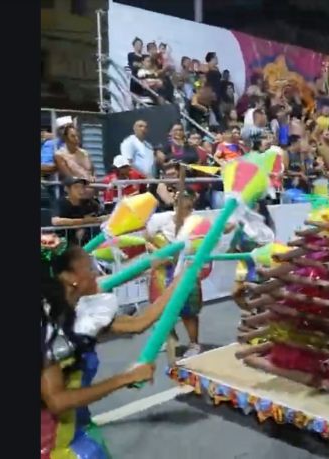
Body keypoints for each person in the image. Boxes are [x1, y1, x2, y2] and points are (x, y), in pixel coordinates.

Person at [41, 234, 177, 459]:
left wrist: (180, 280)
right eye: (89, 268)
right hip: (52, 446)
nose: (96, 273)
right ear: (70, 278)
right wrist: (125, 378)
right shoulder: (47, 328)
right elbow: (57, 401)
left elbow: (138, 323)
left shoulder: (78, 310)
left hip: (77, 428)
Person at [145, 189, 231, 358]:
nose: (182, 205)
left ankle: (194, 344)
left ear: (192, 203)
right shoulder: (160, 219)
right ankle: (169, 337)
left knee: (188, 310)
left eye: (186, 201)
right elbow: (146, 238)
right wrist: (156, 251)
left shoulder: (198, 223)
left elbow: (212, 240)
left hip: (186, 270)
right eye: (179, 200)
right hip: (162, 270)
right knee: (161, 307)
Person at [52, 177, 105, 246]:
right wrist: (83, 221)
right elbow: (56, 221)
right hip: (62, 242)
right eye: (76, 187)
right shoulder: (61, 203)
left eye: (82, 187)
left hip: (82, 242)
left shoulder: (88, 203)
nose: (80, 190)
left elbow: (93, 218)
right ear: (67, 189)